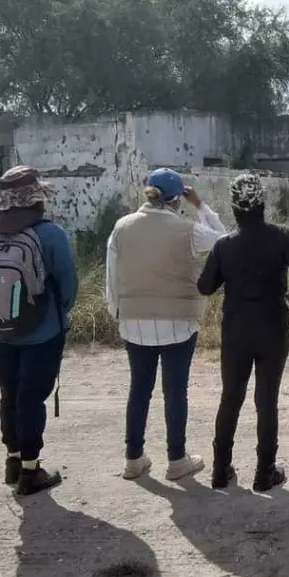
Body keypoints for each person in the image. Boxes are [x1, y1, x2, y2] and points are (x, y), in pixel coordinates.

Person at [105, 168, 229, 482]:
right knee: (175, 392)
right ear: (177, 199)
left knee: (139, 391)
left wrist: (118, 312)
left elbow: (112, 278)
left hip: (134, 321)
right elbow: (226, 241)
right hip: (178, 322)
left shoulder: (122, 227)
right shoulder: (187, 230)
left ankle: (133, 458)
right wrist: (201, 206)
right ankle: (176, 459)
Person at [0, 165, 78, 495]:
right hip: (42, 332)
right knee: (31, 396)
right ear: (36, 198)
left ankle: (12, 461)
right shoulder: (50, 233)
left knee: (9, 394)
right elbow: (68, 286)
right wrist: (56, 316)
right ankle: (31, 471)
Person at [197, 173, 289, 492]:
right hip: (272, 327)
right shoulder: (283, 237)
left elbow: (205, 286)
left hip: (236, 329)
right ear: (262, 203)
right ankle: (264, 473)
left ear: (234, 207)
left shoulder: (224, 244)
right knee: (266, 400)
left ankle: (220, 470)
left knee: (231, 397)